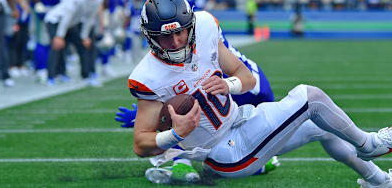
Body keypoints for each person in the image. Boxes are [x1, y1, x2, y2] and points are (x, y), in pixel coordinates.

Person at [128, 0, 392, 188]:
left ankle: (380, 182)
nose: (177, 42)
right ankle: (368, 144)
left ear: (189, 25)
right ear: (150, 36)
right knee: (310, 97)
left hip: (242, 121)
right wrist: (176, 134)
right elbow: (141, 144)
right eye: (166, 37)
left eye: (180, 32)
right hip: (226, 152)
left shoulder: (204, 26)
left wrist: (228, 84)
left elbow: (246, 77)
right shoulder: (148, 76)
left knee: (324, 125)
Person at [116, 31, 278, 184]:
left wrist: (157, 117)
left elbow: (188, 97)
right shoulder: (205, 38)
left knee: (183, 116)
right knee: (187, 114)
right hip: (246, 92)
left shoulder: (206, 45)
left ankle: (191, 163)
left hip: (244, 96)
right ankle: (249, 161)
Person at [44, 0, 104, 87]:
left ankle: (86, 76)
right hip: (56, 20)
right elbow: (67, 16)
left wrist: (84, 36)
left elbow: (89, 19)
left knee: (83, 45)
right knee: (57, 46)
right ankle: (51, 77)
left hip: (70, 24)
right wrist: (59, 36)